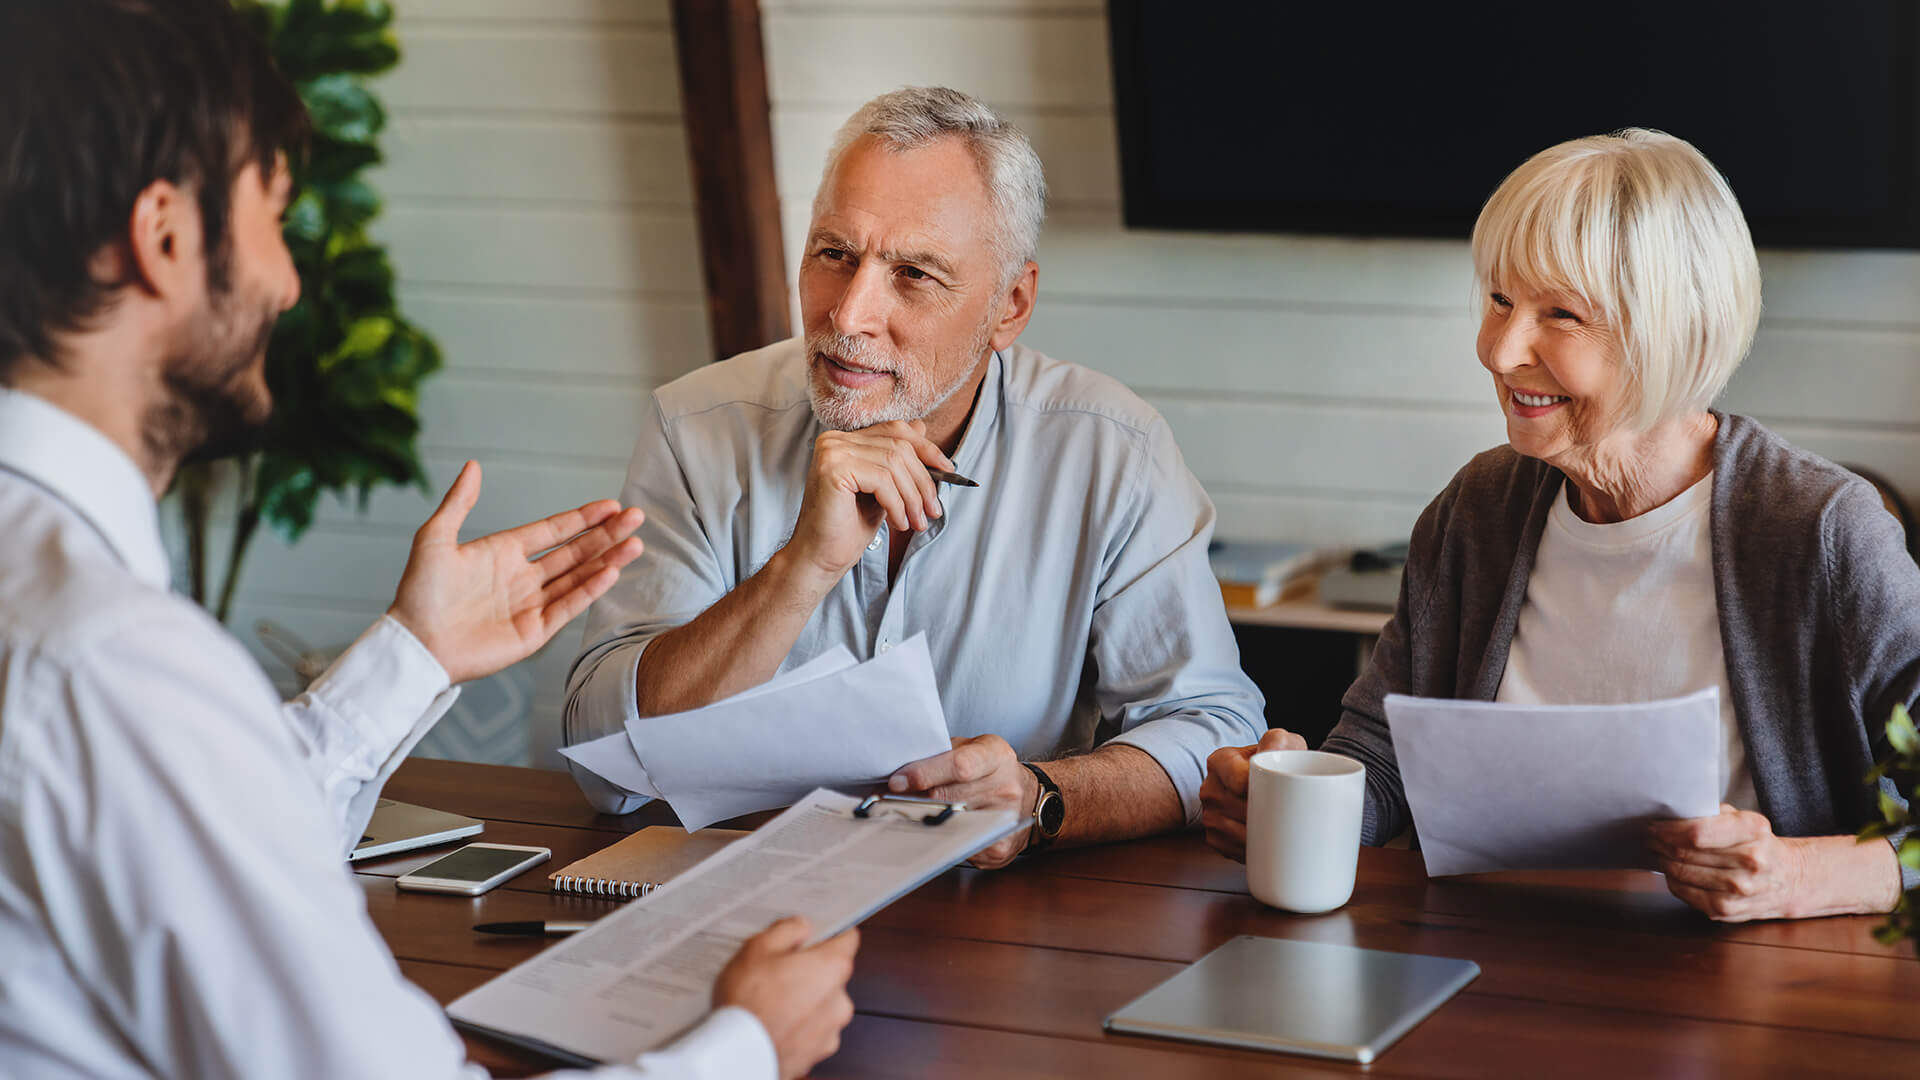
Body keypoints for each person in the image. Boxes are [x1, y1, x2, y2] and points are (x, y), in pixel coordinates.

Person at [0, 3, 854, 1077]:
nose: (289, 282)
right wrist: (744, 1048)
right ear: (165, 237)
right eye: (272, 217)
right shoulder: (111, 665)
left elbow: (198, 843)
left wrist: (416, 651)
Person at [1200, 129, 1918, 922]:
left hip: (1746, 977)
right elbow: (1384, 756)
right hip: (1481, 960)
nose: (1500, 351)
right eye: (1500, 300)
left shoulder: (1822, 532)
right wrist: (1293, 799)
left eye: (1561, 314)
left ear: (1674, 333)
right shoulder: (1476, 510)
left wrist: (1799, 876)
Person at [565, 87, 1264, 868]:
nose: (849, 315)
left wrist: (1040, 799)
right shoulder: (697, 425)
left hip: (994, 912)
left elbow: (1214, 731)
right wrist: (802, 568)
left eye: (914, 274)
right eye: (834, 255)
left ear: (1010, 306)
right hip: (734, 892)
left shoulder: (1112, 452)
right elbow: (603, 766)